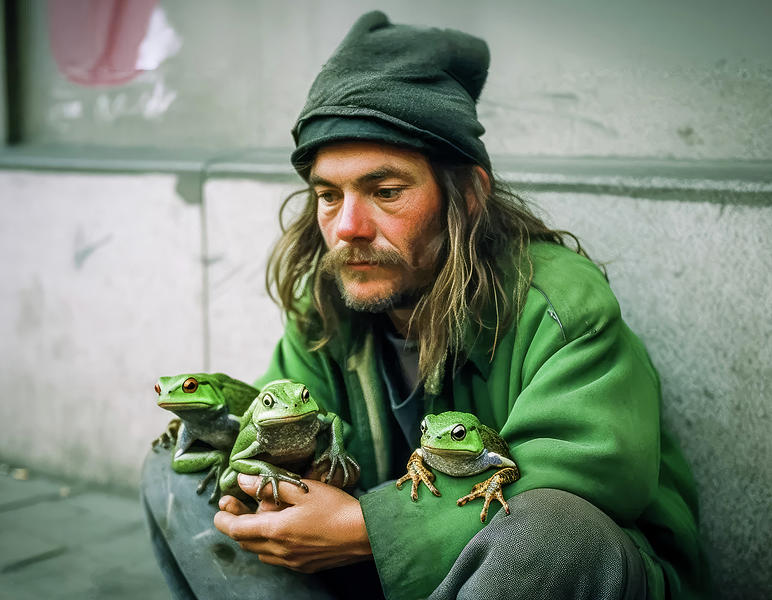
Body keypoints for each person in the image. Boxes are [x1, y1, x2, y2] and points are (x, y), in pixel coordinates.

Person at [141, 11, 709, 600]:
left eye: (385, 192)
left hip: (539, 573)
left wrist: (367, 530)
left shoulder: (560, 307)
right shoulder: (327, 308)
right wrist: (269, 494)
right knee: (178, 471)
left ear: (467, 195)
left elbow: (595, 470)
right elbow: (272, 416)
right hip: (383, 579)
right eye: (328, 195)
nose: (348, 228)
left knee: (553, 535)